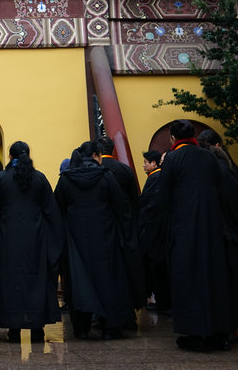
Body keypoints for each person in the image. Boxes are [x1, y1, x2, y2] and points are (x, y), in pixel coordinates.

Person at [157, 120, 231, 351]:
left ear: (172, 138)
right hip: (210, 228)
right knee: (213, 278)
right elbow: (222, 189)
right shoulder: (209, 157)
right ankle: (218, 332)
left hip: (184, 229)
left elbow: (163, 196)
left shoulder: (172, 159)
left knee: (188, 279)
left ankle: (193, 332)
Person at [54, 141, 132, 340]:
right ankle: (110, 327)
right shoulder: (106, 176)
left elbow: (57, 210)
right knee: (108, 281)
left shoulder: (66, 180)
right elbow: (121, 207)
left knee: (78, 284)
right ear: (97, 155)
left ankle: (81, 328)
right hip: (106, 237)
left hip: (75, 241)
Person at [0, 141, 63, 343]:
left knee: (11, 283)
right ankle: (37, 327)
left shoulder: (1, 179)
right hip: (36, 241)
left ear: (10, 157)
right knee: (36, 282)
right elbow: (52, 213)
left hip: (8, 242)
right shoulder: (39, 179)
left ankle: (14, 329)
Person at [197, 129, 238, 340]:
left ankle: (236, 323)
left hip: (227, 236)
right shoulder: (231, 170)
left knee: (231, 281)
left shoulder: (215, 173)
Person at [96, 136, 144, 319]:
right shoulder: (125, 170)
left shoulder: (98, 170)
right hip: (126, 225)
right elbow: (134, 199)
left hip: (105, 226)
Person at [138, 150, 171, 313]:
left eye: (146, 162)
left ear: (154, 163)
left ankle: (162, 302)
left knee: (157, 268)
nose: (144, 165)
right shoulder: (157, 178)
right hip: (157, 229)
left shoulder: (155, 178)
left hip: (154, 231)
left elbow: (148, 205)